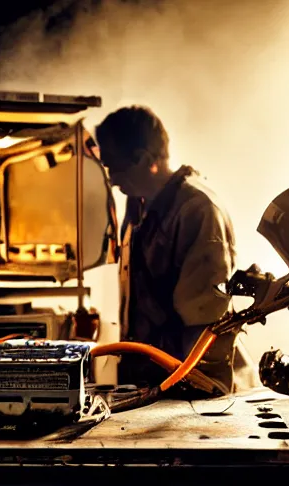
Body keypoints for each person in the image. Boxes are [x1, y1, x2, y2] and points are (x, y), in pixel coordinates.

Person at [95, 105, 258, 394]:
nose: (112, 179)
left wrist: (194, 392)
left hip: (195, 386)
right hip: (154, 381)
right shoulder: (139, 207)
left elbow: (204, 323)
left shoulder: (197, 210)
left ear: (145, 160)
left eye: (114, 167)